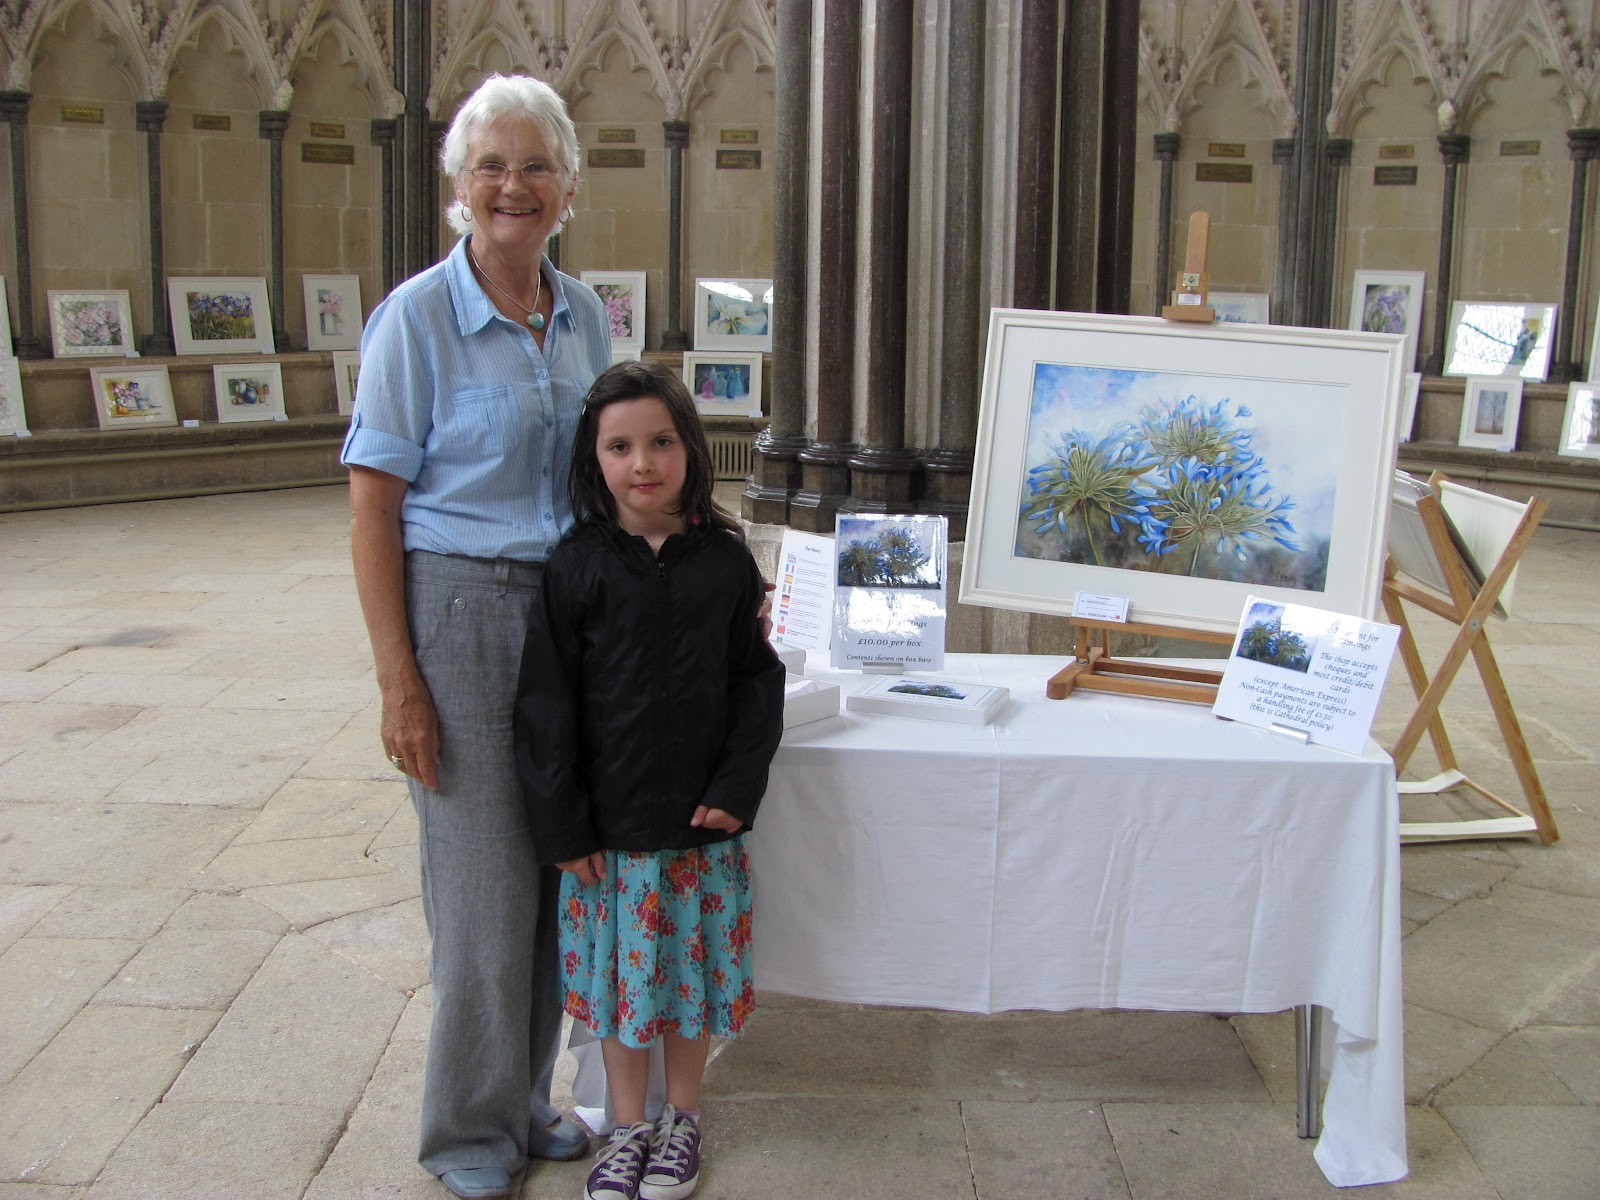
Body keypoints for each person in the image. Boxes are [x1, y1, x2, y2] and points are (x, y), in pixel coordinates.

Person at [341, 73, 611, 1200]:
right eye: (491, 166)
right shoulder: (415, 316)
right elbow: (372, 504)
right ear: (460, 186)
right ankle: (464, 1134)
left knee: (560, 871)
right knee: (480, 891)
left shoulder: (586, 312)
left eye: (535, 164)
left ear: (566, 186)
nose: (514, 185)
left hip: (573, 619)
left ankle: (526, 1101)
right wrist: (399, 681)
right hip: (461, 609)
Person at [513, 360, 785, 1200]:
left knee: (686, 988)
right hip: (610, 842)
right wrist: (562, 827)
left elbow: (755, 683)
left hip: (700, 832)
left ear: (691, 448)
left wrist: (738, 789)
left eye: (661, 442)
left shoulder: (726, 565)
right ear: (594, 460)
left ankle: (683, 1120)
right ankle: (627, 1129)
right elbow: (546, 705)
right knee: (624, 992)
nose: (644, 463)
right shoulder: (577, 567)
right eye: (621, 446)